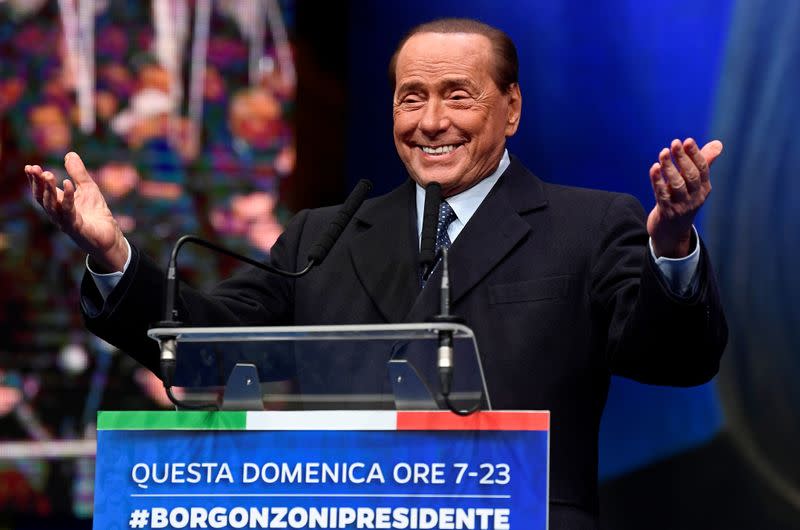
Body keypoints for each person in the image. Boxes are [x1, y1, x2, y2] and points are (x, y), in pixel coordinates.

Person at [25, 18, 727, 530]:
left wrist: (670, 243)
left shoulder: (588, 225)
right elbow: (210, 345)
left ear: (510, 109)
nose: (430, 121)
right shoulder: (324, 235)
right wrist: (115, 255)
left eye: (458, 95)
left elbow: (677, 357)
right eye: (410, 97)